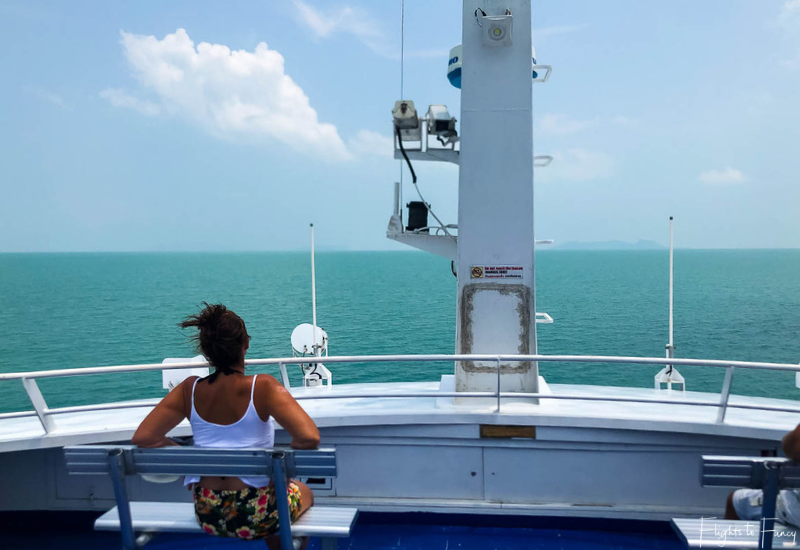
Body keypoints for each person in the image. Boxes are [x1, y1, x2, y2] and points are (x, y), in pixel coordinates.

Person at [132, 303, 320, 549]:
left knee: (276, 501)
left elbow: (144, 437)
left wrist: (188, 455)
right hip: (259, 515)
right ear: (245, 345)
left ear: (207, 352)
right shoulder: (263, 387)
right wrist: (279, 473)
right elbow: (309, 438)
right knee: (303, 492)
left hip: (208, 513)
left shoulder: (188, 390)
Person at [725, 423, 800, 527]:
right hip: (791, 502)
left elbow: (791, 448)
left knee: (737, 501)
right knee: (735, 500)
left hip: (790, 509)